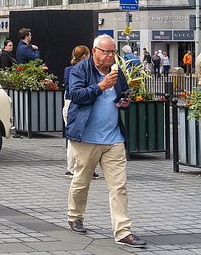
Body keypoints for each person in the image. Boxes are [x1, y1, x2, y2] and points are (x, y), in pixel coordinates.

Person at [65, 34, 146, 248]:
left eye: (113, 52)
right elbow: (76, 95)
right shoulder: (80, 69)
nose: (110, 56)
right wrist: (101, 86)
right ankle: (75, 216)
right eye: (106, 52)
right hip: (86, 137)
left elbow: (121, 96)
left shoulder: (117, 73)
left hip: (113, 138)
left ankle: (123, 231)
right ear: (94, 52)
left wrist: (125, 102)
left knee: (119, 186)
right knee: (82, 181)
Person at [62, 45, 98, 180]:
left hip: (70, 104)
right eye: (88, 54)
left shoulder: (68, 70)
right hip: (74, 105)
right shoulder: (79, 70)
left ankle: (79, 168)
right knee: (76, 138)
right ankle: (73, 169)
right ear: (84, 56)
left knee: (78, 138)